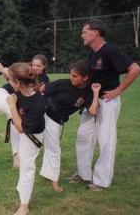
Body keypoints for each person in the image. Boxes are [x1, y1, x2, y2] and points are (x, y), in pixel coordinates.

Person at [69, 19, 140, 191]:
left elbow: (135, 69)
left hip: (107, 102)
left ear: (95, 33)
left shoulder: (110, 50)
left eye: (84, 32)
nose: (82, 35)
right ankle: (84, 173)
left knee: (106, 140)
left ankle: (101, 181)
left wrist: (117, 91)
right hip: (92, 101)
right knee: (83, 136)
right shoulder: (93, 53)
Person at [38, 60, 101, 193]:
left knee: (54, 149)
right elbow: (41, 89)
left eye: (75, 76)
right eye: (71, 75)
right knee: (30, 142)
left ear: (85, 78)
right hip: (41, 112)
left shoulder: (87, 93)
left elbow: (93, 111)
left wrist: (95, 93)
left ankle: (53, 180)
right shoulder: (63, 83)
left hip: (55, 120)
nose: (71, 78)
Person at [0, 55, 49, 168]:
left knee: (21, 131)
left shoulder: (42, 80)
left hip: (26, 108)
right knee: (14, 126)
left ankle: (21, 158)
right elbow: (12, 79)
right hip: (16, 97)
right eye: (33, 65)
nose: (35, 67)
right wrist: (5, 72)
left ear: (44, 67)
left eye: (38, 65)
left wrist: (4, 69)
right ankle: (16, 157)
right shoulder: (24, 74)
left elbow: (24, 86)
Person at [5, 62, 46, 215]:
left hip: (32, 136)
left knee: (27, 166)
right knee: (23, 163)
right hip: (25, 129)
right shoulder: (22, 90)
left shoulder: (37, 104)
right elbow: (9, 74)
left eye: (10, 80)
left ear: (18, 82)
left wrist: (11, 106)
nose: (9, 82)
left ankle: (24, 205)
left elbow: (21, 129)